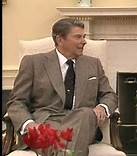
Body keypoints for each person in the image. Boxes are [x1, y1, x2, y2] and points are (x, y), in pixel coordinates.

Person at [6, 18, 118, 156]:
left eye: (84, 36)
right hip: (46, 122)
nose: (84, 41)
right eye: (78, 37)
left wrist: (103, 107)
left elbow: (109, 95)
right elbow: (16, 102)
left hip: (81, 122)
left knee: (86, 114)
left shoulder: (93, 64)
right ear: (60, 40)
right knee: (52, 135)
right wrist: (28, 124)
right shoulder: (33, 63)